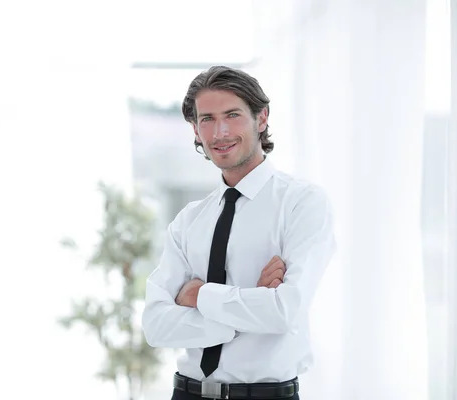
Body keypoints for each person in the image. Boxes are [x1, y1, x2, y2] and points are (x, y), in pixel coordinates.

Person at [141, 66, 336, 400]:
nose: (220, 132)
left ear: (261, 119)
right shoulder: (189, 221)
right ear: (195, 129)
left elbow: (284, 311)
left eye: (232, 115)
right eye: (207, 119)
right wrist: (246, 307)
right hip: (186, 393)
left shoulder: (301, 203)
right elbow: (156, 325)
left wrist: (198, 296)